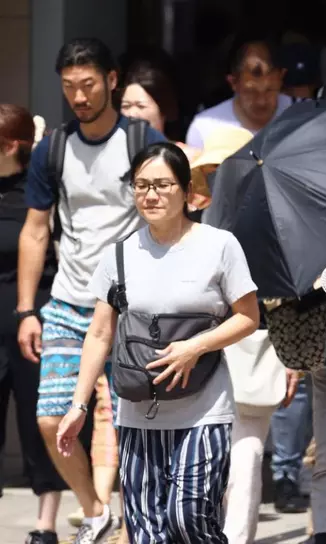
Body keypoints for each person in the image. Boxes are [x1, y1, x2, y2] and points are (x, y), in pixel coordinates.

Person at [55, 142, 260, 542]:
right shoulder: (119, 254)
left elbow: (248, 317)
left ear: (186, 189)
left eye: (162, 184)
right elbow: (99, 333)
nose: (150, 194)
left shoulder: (219, 245)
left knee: (189, 519)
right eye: (141, 185)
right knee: (147, 530)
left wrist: (195, 346)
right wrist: (79, 406)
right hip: (137, 414)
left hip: (204, 410)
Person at [18, 38, 167, 543]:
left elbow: (167, 212)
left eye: (87, 85)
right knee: (50, 418)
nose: (78, 96)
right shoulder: (53, 148)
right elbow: (36, 230)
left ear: (111, 80)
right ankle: (96, 509)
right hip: (66, 302)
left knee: (131, 421)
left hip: (130, 307)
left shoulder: (141, 139)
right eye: (68, 87)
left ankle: (132, 523)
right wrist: (25, 310)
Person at [0, 104, 73, 544]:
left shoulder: (39, 189)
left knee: (38, 418)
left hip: (35, 321)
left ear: (11, 146)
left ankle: (46, 524)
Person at [185, 38, 292, 148]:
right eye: (251, 92)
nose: (261, 102)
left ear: (281, 77)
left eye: (269, 90)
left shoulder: (306, 118)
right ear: (233, 83)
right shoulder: (204, 129)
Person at [120, 60, 200, 161]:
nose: (131, 114)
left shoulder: (187, 157)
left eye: (141, 106)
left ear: (163, 111)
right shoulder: (110, 153)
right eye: (126, 106)